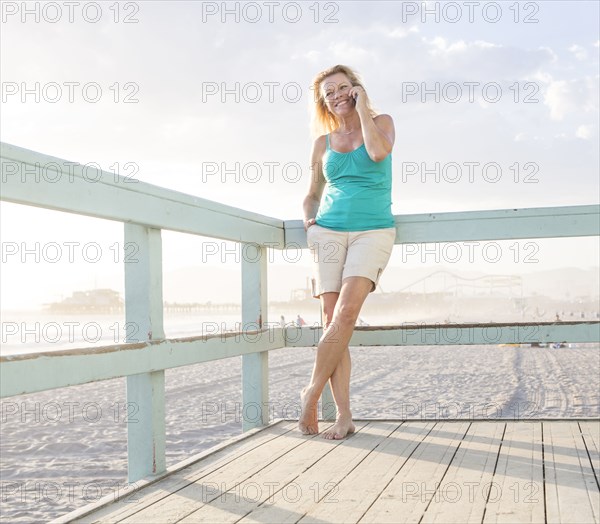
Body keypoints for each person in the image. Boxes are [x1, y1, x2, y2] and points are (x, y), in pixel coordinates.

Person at [300, 65, 396, 439]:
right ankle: (344, 416)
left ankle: (310, 391)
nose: (337, 95)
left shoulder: (382, 122)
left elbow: (376, 153)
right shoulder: (321, 143)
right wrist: (311, 224)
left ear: (356, 89)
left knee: (346, 314)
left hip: (373, 230)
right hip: (327, 233)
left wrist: (362, 110)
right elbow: (311, 194)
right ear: (323, 102)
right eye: (330, 92)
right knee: (330, 321)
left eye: (344, 88)